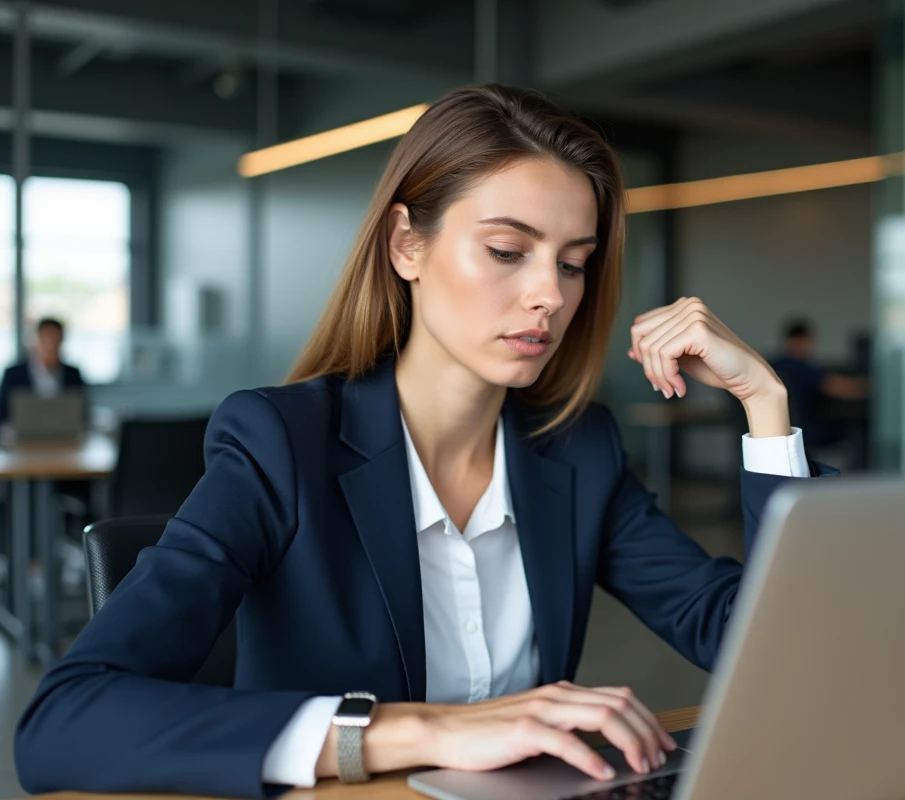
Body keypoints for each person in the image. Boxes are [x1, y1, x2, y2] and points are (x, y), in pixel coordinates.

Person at [15, 85, 835, 798]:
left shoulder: (575, 448)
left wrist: (765, 405)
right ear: (407, 245)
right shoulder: (282, 443)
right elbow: (65, 719)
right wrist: (428, 732)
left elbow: (768, 646)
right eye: (508, 251)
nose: (549, 294)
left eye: (575, 263)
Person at [770, 319, 867, 447]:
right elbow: (840, 388)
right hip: (805, 430)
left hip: (778, 431)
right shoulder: (801, 367)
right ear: (802, 340)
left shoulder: (773, 365)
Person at [0, 317, 87, 424]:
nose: (50, 346)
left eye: (55, 341)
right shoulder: (13, 374)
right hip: (21, 437)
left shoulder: (73, 374)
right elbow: (3, 413)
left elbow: (83, 413)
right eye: (46, 340)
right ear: (35, 341)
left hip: (64, 436)